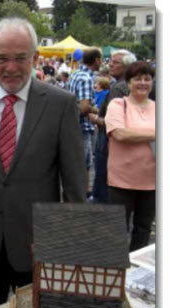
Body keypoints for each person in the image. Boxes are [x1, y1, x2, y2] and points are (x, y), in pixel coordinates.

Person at [0, 18, 86, 308]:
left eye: (20, 58)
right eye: (2, 58)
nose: (11, 67)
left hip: (38, 242)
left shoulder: (60, 104)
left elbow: (75, 184)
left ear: (35, 58)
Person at [105, 61, 155, 253]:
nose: (143, 83)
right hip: (122, 180)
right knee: (117, 229)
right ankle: (116, 271)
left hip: (151, 181)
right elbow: (120, 134)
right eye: (137, 79)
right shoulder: (118, 105)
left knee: (143, 229)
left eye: (147, 79)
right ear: (128, 83)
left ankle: (135, 269)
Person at [88, 49, 136, 203]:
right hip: (124, 143)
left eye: (115, 62)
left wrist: (94, 117)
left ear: (127, 66)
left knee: (103, 179)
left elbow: (111, 122)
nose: (110, 65)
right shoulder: (128, 85)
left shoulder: (118, 88)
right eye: (110, 61)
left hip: (108, 140)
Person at [68, 47, 102, 198]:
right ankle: (82, 196)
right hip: (82, 126)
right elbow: (84, 107)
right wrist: (99, 111)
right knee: (84, 164)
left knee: (78, 163)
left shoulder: (75, 74)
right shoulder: (86, 78)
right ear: (96, 60)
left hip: (73, 125)